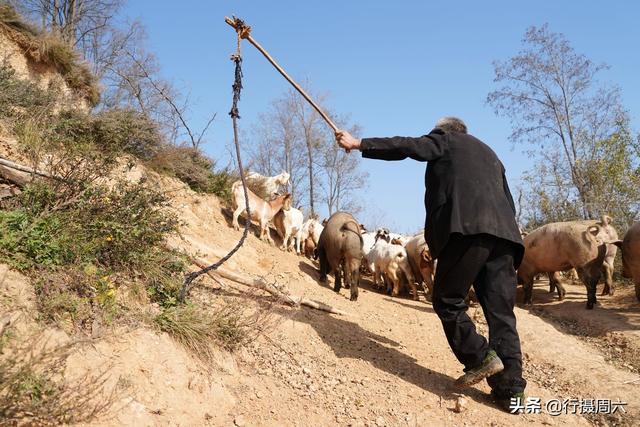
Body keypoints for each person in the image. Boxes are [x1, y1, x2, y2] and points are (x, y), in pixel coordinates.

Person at [335, 117, 526, 412]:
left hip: (467, 230)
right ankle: (511, 392)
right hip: (506, 238)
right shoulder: (491, 155)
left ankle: (480, 356)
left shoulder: (445, 140)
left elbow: (407, 146)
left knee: (447, 300)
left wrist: (359, 143)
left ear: (443, 131)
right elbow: (509, 203)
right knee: (501, 314)